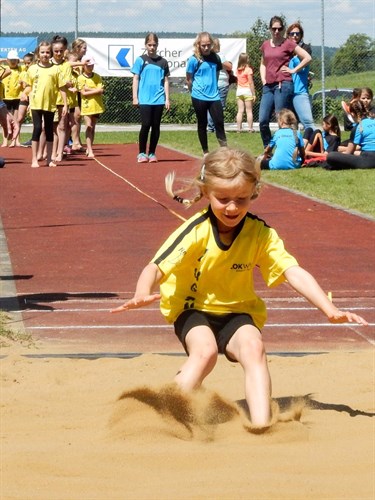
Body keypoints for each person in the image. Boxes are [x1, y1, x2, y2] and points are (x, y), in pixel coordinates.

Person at [111, 147, 367, 428]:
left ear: (253, 193)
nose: (232, 207)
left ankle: (261, 426)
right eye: (223, 199)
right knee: (205, 352)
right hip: (192, 308)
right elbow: (155, 267)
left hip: (237, 311)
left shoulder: (260, 233)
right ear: (206, 192)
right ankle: (161, 414)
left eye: (241, 199)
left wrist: (329, 308)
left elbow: (292, 271)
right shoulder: (196, 230)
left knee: (254, 347)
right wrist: (141, 292)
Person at [259, 16, 311, 147]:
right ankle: (268, 148)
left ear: (282, 29)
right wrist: (263, 79)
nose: (277, 31)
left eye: (279, 28)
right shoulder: (265, 45)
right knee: (262, 120)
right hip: (268, 86)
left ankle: (284, 148)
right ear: (270, 29)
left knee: (281, 120)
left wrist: (293, 70)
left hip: (283, 85)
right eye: (274, 28)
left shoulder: (288, 43)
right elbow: (263, 63)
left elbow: (307, 57)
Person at [22, 40, 68, 168]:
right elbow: (28, 86)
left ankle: (49, 159)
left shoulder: (55, 70)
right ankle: (34, 159)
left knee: (49, 130)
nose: (45, 55)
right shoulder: (32, 69)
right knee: (37, 128)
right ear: (38, 54)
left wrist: (65, 104)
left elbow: (62, 88)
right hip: (36, 104)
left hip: (50, 104)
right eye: (42, 52)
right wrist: (25, 93)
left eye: (48, 52)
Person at [186, 32, 227, 156]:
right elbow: (189, 78)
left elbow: (217, 73)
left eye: (208, 45)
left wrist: (213, 87)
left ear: (212, 44)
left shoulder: (216, 58)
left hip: (214, 96)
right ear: (198, 45)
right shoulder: (194, 59)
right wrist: (193, 91)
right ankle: (205, 152)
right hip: (198, 96)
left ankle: (225, 150)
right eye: (203, 45)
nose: (206, 48)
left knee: (219, 122)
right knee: (202, 123)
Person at [131, 32, 170, 163]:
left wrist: (167, 98)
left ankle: (152, 152)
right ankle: (141, 153)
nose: (152, 47)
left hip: (158, 99)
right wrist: (135, 97)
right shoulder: (140, 60)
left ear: (157, 45)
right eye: (149, 45)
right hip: (145, 99)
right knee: (146, 124)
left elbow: (165, 81)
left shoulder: (163, 62)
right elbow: (136, 78)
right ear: (145, 45)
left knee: (156, 126)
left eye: (154, 45)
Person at [325, 100, 375, 170]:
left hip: (368, 160)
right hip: (367, 154)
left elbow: (349, 152)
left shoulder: (358, 127)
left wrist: (341, 152)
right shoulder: (373, 120)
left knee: (331, 156)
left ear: (352, 114)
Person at [285, 22, 315, 131]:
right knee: (290, 125)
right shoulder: (285, 49)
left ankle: (319, 145)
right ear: (288, 35)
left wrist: (293, 70)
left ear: (301, 35)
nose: (294, 36)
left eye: (297, 33)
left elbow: (305, 61)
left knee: (308, 123)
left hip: (300, 91)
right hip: (287, 90)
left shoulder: (305, 49)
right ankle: (296, 146)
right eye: (292, 33)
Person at [77, 55, 105, 159]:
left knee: (93, 127)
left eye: (92, 65)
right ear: (84, 66)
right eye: (88, 65)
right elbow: (83, 93)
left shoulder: (97, 76)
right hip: (87, 106)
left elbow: (101, 90)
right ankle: (90, 149)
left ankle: (90, 147)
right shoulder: (80, 78)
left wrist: (90, 89)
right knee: (88, 126)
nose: (90, 67)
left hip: (96, 105)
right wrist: (95, 90)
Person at [207, 38, 232, 133]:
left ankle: (210, 127)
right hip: (221, 84)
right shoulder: (220, 56)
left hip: (212, 84)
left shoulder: (208, 57)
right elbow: (229, 67)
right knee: (220, 107)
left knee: (210, 106)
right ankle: (218, 128)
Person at [1, 49, 22, 147]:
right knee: (5, 121)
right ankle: (5, 140)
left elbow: (30, 63)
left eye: (15, 59)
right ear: (7, 60)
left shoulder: (21, 69)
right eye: (11, 59)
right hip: (5, 98)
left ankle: (16, 140)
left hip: (16, 98)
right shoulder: (3, 68)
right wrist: (3, 60)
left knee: (16, 120)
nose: (13, 61)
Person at [235, 52, 256, 133]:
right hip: (247, 90)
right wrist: (253, 94)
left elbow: (237, 81)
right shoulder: (248, 70)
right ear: (246, 60)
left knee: (240, 111)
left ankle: (238, 129)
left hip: (239, 91)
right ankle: (250, 128)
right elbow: (250, 82)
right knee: (249, 111)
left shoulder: (238, 70)